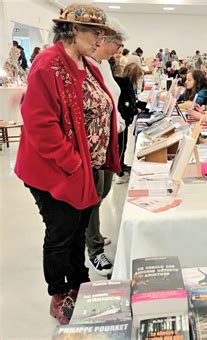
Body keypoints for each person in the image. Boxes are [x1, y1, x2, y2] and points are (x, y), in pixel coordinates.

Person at [15, 3, 120, 324]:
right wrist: (73, 163)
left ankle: (79, 283)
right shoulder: (48, 64)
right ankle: (59, 293)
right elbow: (40, 124)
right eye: (96, 32)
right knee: (61, 232)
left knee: (77, 231)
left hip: (83, 167)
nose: (100, 39)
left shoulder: (83, 62)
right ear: (74, 30)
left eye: (103, 33)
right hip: (56, 170)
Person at [86, 19, 127, 275]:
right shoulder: (87, 65)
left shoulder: (105, 66)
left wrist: (118, 120)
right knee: (93, 193)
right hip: (95, 140)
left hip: (110, 135)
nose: (119, 50)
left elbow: (110, 99)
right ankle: (95, 249)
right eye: (117, 45)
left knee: (104, 189)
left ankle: (92, 232)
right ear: (104, 40)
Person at [115, 63, 143, 183]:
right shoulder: (125, 86)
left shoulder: (124, 84)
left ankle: (121, 166)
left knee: (123, 145)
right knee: (120, 146)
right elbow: (126, 106)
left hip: (123, 119)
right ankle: (119, 172)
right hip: (122, 120)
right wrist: (136, 110)